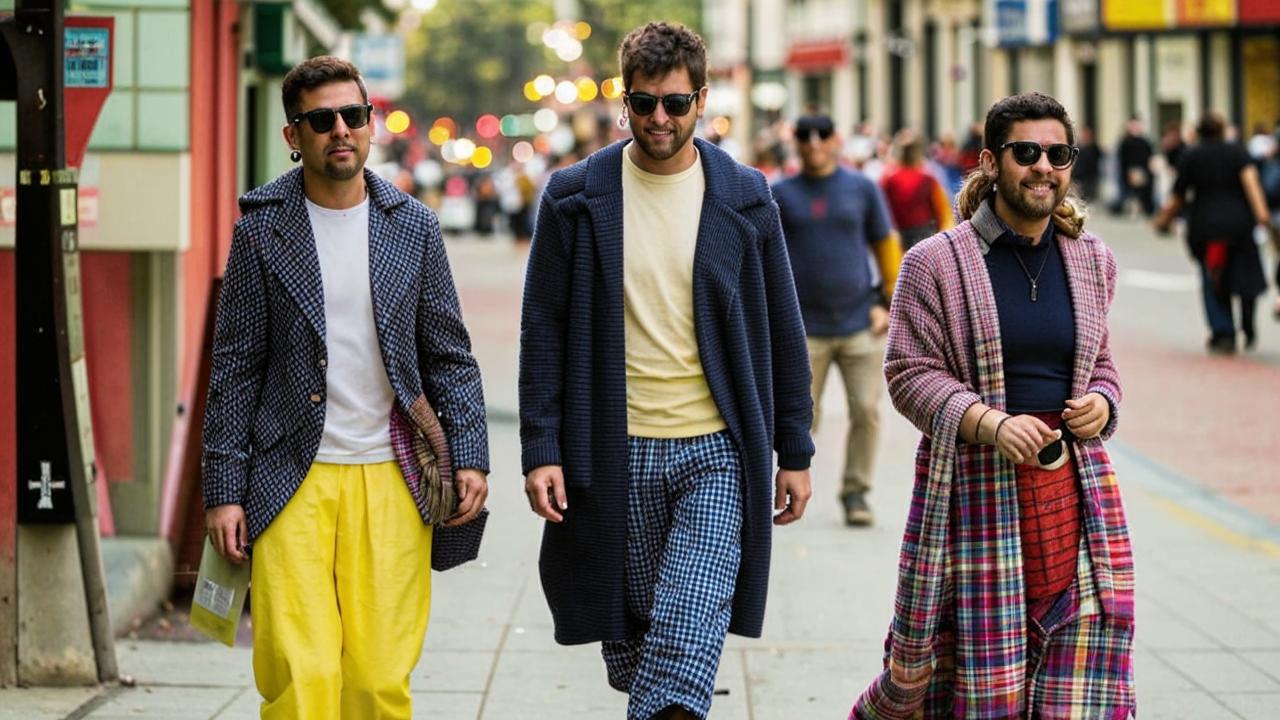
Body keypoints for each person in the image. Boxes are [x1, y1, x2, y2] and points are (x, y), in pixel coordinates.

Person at [518, 22, 814, 720]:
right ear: (624, 102)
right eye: (644, 103)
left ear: (701, 100)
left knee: (686, 632)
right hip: (609, 454)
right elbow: (543, 334)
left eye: (675, 104)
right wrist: (541, 448)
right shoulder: (574, 197)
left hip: (716, 452)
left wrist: (793, 451)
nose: (659, 119)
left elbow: (782, 328)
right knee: (636, 647)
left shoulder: (744, 196)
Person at [201, 56, 490, 719]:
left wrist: (470, 453)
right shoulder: (260, 233)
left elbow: (449, 353)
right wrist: (223, 492)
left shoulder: (412, 226)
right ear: (293, 135)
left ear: (369, 124)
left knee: (378, 681)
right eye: (321, 119)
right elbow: (235, 367)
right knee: (301, 681)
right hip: (289, 479)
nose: (341, 130)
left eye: (353, 116)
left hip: (393, 476)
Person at [851, 92, 1135, 719]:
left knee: (1081, 683)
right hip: (976, 500)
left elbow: (1102, 361)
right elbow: (907, 372)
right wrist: (988, 423)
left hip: (1076, 497)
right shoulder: (935, 263)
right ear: (990, 161)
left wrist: (1102, 401)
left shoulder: (1093, 261)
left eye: (1058, 153)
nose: (1043, 167)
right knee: (975, 685)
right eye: (1026, 151)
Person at [772, 114, 903, 527]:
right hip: (802, 331)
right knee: (800, 419)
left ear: (836, 139)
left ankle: (856, 493)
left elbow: (886, 246)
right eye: (805, 136)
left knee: (866, 410)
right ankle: (785, 488)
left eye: (823, 135)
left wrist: (887, 303)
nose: (814, 143)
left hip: (858, 323)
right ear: (794, 142)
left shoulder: (861, 188)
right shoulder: (780, 193)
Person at [1155, 112, 1271, 353]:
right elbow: (1251, 182)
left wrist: (1164, 219)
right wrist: (1262, 215)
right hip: (1239, 224)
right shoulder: (1237, 152)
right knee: (1245, 274)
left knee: (1213, 278)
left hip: (1206, 227)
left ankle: (1224, 331)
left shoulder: (1191, 155)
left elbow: (1179, 195)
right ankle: (1248, 325)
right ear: (1222, 130)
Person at [880, 128, 955, 249]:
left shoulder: (889, 177)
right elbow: (942, 211)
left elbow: (882, 208)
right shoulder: (928, 177)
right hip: (922, 234)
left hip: (897, 235)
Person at [1110, 116, 1155, 217]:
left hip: (1143, 171)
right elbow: (1121, 159)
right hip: (1128, 171)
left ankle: (1141, 206)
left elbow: (1149, 157)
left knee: (1142, 191)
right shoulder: (1125, 142)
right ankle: (1131, 206)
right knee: (1130, 192)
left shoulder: (1145, 142)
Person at [1073, 124, 1103, 202]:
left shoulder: (1094, 147)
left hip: (1090, 176)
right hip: (1079, 176)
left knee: (1089, 196)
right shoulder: (1078, 147)